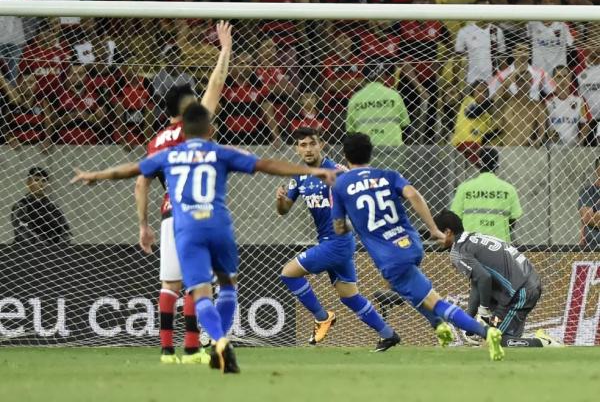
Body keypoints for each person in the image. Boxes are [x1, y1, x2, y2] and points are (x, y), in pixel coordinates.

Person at [71, 103, 338, 374]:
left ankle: (219, 341)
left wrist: (94, 175)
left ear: (182, 131)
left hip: (187, 229)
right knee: (228, 286)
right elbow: (267, 164)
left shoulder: (170, 154)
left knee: (199, 292)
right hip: (219, 227)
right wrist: (314, 171)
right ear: (210, 130)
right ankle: (220, 338)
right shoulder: (220, 152)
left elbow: (130, 171)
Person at [330, 133, 505, 361]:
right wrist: (433, 229)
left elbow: (338, 227)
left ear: (345, 155)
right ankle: (438, 325)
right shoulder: (388, 175)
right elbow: (412, 194)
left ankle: (485, 332)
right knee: (409, 288)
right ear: (371, 152)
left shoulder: (340, 184)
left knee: (435, 301)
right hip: (411, 244)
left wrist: (354, 226)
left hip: (390, 256)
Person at [135, 21, 232, 365]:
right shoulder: (194, 128)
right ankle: (191, 349)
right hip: (195, 213)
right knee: (196, 284)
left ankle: (165, 352)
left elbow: (141, 181)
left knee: (168, 284)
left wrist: (143, 224)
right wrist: (224, 51)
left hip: (166, 212)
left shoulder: (156, 140)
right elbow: (217, 84)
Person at [276, 127, 400, 351]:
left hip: (338, 241)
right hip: (329, 241)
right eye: (302, 145)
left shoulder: (338, 172)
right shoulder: (299, 174)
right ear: (297, 149)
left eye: (312, 143)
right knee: (349, 297)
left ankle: (322, 317)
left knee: (288, 273)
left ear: (321, 145)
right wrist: (281, 200)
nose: (308, 149)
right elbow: (284, 210)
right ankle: (388, 334)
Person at [433, 210, 561, 348]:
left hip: (520, 290)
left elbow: (484, 278)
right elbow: (478, 282)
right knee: (500, 339)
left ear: (447, 232)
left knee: (494, 342)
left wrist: (483, 309)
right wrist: (469, 321)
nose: (434, 240)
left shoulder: (458, 252)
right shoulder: (473, 237)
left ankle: (543, 342)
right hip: (523, 285)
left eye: (436, 234)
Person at [450, 148, 522, 243]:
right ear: (497, 164)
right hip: (499, 245)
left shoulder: (464, 188)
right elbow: (513, 219)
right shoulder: (509, 189)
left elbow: (455, 217)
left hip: (470, 244)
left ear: (479, 163)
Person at [346, 64, 410, 145]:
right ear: (382, 75)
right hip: (393, 149)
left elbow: (350, 131)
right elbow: (406, 126)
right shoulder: (394, 95)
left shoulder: (355, 98)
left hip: (365, 151)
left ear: (364, 77)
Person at [11, 167, 70, 245]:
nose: (41, 184)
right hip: (26, 252)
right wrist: (46, 246)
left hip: (53, 252)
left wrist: (59, 246)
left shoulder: (53, 206)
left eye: (44, 181)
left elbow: (65, 231)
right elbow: (23, 233)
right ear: (28, 182)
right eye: (36, 180)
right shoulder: (22, 205)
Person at [546, 65, 592, 146]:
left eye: (565, 76)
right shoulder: (547, 102)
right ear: (553, 80)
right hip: (553, 148)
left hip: (573, 149)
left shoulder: (579, 100)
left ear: (570, 78)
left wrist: (580, 142)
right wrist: (549, 134)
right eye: (559, 77)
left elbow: (586, 124)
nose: (563, 80)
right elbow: (542, 125)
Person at [578, 157, 600, 249]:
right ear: (597, 170)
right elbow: (587, 217)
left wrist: (596, 215)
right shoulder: (588, 191)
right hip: (592, 248)